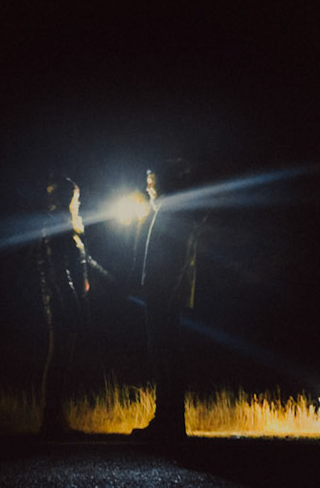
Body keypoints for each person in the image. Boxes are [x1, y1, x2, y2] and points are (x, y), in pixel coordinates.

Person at [135, 159, 200, 440]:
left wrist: (167, 289)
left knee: (166, 355)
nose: (149, 186)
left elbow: (174, 257)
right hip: (160, 291)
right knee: (163, 355)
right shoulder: (162, 209)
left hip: (164, 293)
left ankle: (169, 423)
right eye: (148, 181)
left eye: (152, 180)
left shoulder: (171, 211)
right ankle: (167, 421)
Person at [34, 173, 100, 437]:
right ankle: (51, 422)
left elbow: (81, 261)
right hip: (61, 302)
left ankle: (55, 421)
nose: (78, 202)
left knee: (62, 359)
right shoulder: (56, 224)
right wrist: (70, 302)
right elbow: (58, 270)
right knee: (58, 358)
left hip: (66, 300)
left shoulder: (68, 225)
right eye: (74, 197)